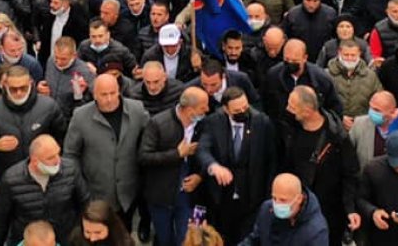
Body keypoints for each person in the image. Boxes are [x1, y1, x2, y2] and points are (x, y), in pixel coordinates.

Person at [63, 73, 150, 224]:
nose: (109, 99)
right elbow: (71, 154)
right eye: (104, 94)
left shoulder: (137, 110)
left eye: (113, 93)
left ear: (119, 91)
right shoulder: (80, 116)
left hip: (128, 193)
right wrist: (81, 187)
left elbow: (149, 139)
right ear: (94, 95)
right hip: (96, 193)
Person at [197, 86, 277, 244]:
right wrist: (214, 166)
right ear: (226, 109)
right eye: (237, 110)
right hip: (222, 197)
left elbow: (271, 160)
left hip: (252, 195)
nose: (243, 112)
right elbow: (202, 149)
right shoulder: (213, 121)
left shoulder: (262, 122)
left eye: (245, 107)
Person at [282, 85, 360, 246]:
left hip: (330, 212)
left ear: (308, 110)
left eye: (292, 106)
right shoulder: (291, 129)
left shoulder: (337, 137)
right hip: (297, 209)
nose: (288, 109)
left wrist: (350, 209)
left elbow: (350, 175)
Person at [138, 86, 209, 246]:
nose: (207, 109)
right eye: (203, 107)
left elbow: (212, 154)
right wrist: (176, 154)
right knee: (164, 239)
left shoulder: (204, 124)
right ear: (190, 110)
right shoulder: (158, 123)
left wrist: (200, 176)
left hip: (190, 197)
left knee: (188, 240)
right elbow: (144, 157)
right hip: (161, 195)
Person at [0, 134, 90, 246]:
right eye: (50, 157)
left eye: (58, 153)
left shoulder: (71, 170)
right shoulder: (11, 179)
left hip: (65, 239)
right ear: (35, 161)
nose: (57, 161)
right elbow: (0, 221)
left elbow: (85, 204)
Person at [0, 65, 66, 181]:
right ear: (5, 86)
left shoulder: (49, 106)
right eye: (13, 89)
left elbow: (62, 138)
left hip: (42, 173)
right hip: (7, 176)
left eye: (23, 88)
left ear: (31, 83)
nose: (18, 92)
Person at [261, 39, 343, 121]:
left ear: (305, 58)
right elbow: (266, 104)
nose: (290, 63)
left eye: (294, 61)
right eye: (287, 59)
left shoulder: (321, 78)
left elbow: (334, 107)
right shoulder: (273, 75)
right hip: (282, 127)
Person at [240, 173, 330, 246]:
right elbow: (255, 239)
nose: (277, 204)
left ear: (299, 199)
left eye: (283, 200)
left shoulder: (316, 231)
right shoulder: (267, 209)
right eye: (274, 198)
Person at [327, 39, 382, 129]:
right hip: (334, 128)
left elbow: (379, 100)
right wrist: (339, 117)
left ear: (359, 54)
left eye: (353, 55)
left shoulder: (371, 76)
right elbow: (320, 104)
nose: (349, 58)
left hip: (363, 127)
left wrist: (361, 121)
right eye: (346, 55)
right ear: (339, 53)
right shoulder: (327, 75)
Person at [69, 199, 135, 246]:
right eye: (87, 232)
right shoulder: (76, 237)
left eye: (98, 232)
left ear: (110, 227)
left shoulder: (124, 243)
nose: (92, 238)